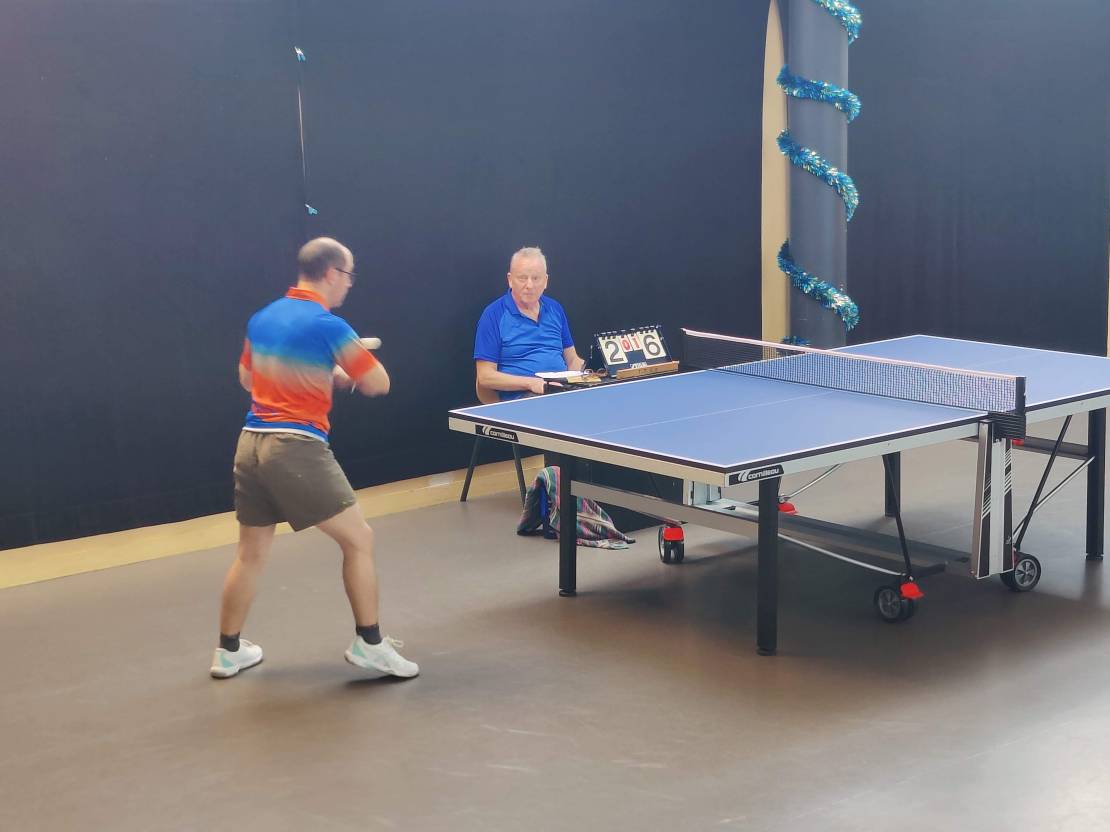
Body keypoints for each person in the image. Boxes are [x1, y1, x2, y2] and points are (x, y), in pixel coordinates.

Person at [211, 237, 418, 680]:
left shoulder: (263, 318)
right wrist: (345, 371)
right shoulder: (329, 325)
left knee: (250, 553)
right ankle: (370, 643)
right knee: (359, 540)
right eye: (348, 275)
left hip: (251, 444)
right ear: (330, 273)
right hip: (295, 448)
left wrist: (324, 372)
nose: (349, 284)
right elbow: (379, 384)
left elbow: (247, 378)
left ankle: (228, 651)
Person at [473, 246, 584, 400]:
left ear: (546, 281)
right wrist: (531, 384)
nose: (529, 285)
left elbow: (572, 359)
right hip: (521, 399)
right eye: (522, 278)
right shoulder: (493, 315)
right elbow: (485, 377)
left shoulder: (555, 309)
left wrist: (587, 374)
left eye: (536, 278)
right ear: (510, 280)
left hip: (562, 393)